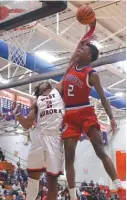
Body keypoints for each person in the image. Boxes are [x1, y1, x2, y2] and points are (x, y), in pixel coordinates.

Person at [60, 23, 126, 200]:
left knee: (99, 149)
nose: (79, 50)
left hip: (85, 112)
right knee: (69, 155)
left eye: (83, 49)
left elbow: (103, 98)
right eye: (79, 49)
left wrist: (111, 118)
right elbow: (77, 49)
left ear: (89, 56)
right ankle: (73, 196)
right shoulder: (72, 66)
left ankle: (120, 188)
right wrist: (89, 31)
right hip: (70, 113)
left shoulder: (92, 73)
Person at [12, 81, 65, 200]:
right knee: (32, 177)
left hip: (55, 137)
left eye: (45, 81)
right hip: (40, 137)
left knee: (52, 181)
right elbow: (27, 124)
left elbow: (68, 72)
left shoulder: (58, 91)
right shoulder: (36, 101)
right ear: (39, 90)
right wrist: (17, 113)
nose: (43, 82)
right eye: (41, 82)